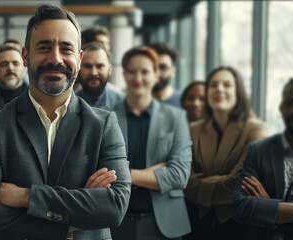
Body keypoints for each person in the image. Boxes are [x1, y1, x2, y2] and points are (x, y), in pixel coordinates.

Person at [0, 4, 131, 240]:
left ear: (79, 58)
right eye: (44, 47)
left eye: (66, 49)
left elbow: (114, 208)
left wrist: (26, 197)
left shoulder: (104, 125)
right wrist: (77, 214)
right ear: (26, 56)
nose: (55, 59)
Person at [109, 46, 192, 239]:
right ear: (124, 74)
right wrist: (154, 172)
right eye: (132, 71)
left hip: (163, 223)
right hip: (115, 222)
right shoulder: (105, 116)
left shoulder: (176, 118)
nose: (138, 78)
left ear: (155, 75)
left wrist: (127, 175)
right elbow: (98, 171)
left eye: (145, 71)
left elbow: (179, 175)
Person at [184, 66, 268, 240]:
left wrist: (201, 182)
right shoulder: (193, 129)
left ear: (238, 92)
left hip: (239, 223)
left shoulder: (256, 129)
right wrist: (224, 179)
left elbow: (243, 183)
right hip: (196, 221)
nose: (219, 89)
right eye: (214, 84)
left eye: (227, 84)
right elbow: (184, 179)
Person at [231, 79, 293, 240]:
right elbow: (240, 207)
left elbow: (254, 210)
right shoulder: (259, 150)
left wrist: (269, 206)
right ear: (281, 107)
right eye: (290, 102)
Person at [76, 42, 124, 108]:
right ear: (79, 69)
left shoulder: (123, 104)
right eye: (88, 66)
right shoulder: (67, 104)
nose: (94, 73)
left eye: (100, 66)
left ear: (110, 69)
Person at [149, 42, 182, 108]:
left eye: (163, 67)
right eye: (153, 67)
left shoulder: (184, 102)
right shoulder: (135, 103)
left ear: (173, 72)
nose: (156, 73)